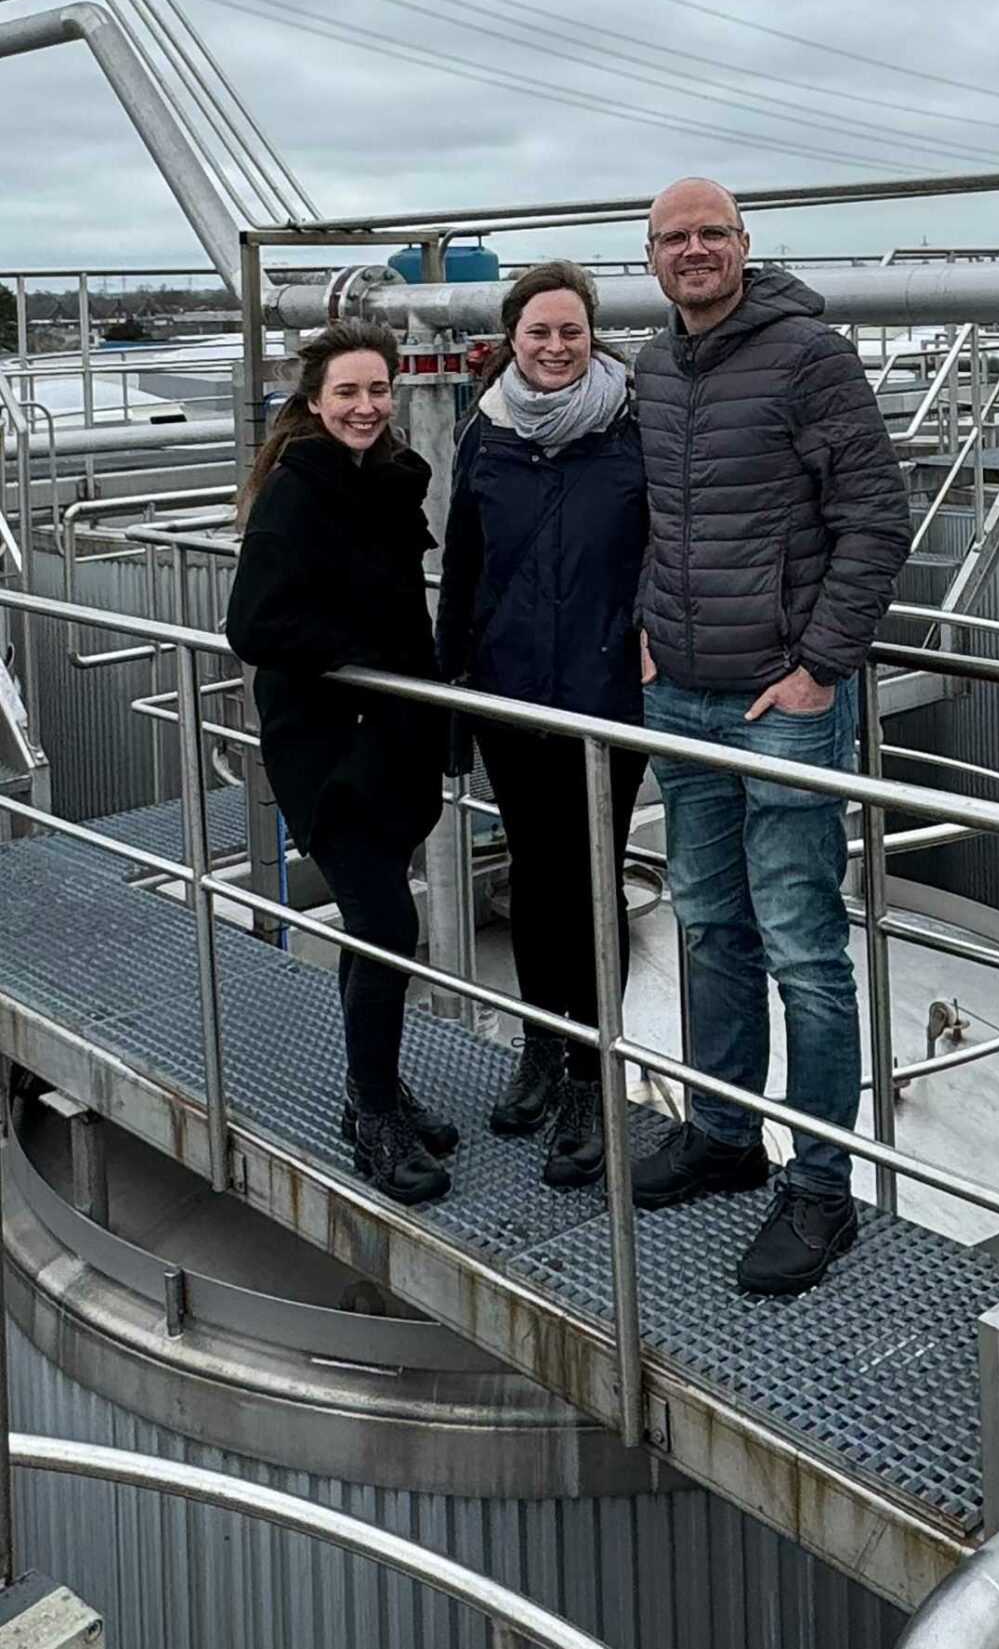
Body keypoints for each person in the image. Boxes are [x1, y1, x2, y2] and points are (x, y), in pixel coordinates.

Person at [632, 177, 911, 1295]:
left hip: (779, 703)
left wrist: (817, 670)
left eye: (711, 234)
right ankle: (723, 1132)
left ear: (744, 246)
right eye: (673, 238)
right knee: (705, 925)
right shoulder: (655, 366)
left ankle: (820, 1188)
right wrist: (644, 633)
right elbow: (654, 514)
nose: (693, 250)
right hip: (680, 693)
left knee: (801, 944)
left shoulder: (808, 357)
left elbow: (875, 517)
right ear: (650, 257)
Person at [226, 321, 456, 1206]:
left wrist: (434, 715)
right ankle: (369, 1113)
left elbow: (407, 615)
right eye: (348, 394)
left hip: (391, 737)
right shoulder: (298, 491)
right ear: (314, 402)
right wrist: (360, 656)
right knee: (389, 923)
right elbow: (255, 624)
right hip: (326, 747)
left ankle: (381, 1086)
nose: (365, 408)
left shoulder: (390, 483)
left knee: (377, 925)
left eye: (378, 392)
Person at [437, 262, 649, 1185]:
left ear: (591, 335)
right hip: (511, 694)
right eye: (538, 333)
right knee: (535, 877)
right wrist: (453, 689)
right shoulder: (485, 435)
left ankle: (589, 1078)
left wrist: (656, 639)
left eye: (570, 331)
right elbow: (465, 562)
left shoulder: (634, 429)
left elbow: (669, 548)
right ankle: (538, 1048)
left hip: (607, 697)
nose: (555, 347)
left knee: (593, 881)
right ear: (511, 339)